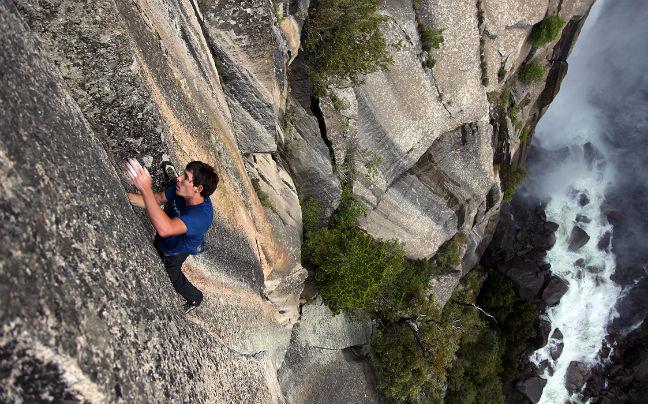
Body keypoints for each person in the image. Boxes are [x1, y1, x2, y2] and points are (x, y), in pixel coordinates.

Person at [126, 159, 218, 313]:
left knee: (172, 276)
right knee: (156, 253)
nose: (178, 178)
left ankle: (196, 298)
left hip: (176, 251)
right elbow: (156, 200)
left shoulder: (201, 216)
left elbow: (165, 228)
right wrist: (121, 194)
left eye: (186, 178)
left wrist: (145, 188)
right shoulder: (179, 189)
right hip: (165, 239)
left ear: (198, 188)